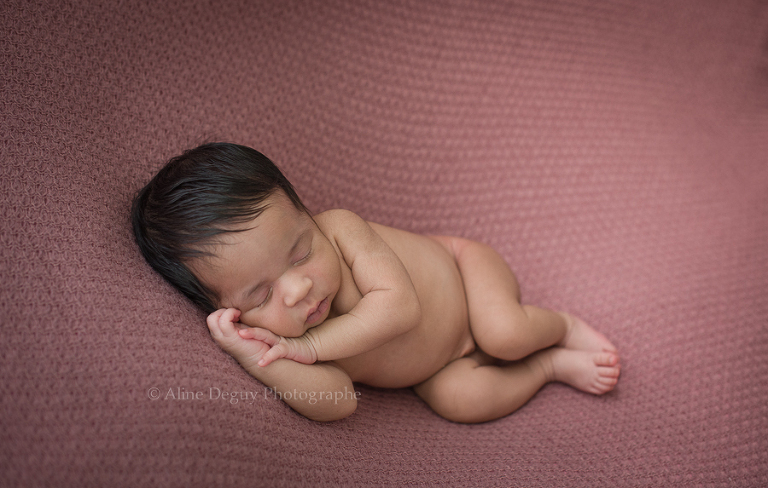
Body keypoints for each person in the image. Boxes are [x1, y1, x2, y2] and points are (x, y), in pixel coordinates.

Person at [132, 142, 620, 422]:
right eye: (261, 294)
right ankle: (549, 368)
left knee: (504, 333)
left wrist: (312, 347)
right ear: (231, 311)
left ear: (306, 213)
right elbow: (338, 403)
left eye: (301, 251)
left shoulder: (340, 230)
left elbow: (399, 307)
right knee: (460, 402)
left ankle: (560, 326)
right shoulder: (279, 338)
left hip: (464, 274)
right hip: (434, 369)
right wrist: (260, 359)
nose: (297, 288)